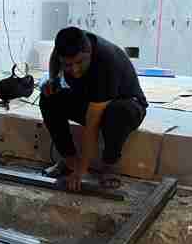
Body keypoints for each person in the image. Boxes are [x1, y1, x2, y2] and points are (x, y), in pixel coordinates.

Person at [39, 27, 148, 191]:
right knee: (49, 98)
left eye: (79, 62)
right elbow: (55, 59)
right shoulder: (64, 47)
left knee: (118, 113)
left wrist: (81, 171)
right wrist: (53, 80)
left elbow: (92, 125)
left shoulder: (106, 62)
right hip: (90, 98)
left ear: (89, 52)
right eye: (68, 65)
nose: (74, 70)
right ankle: (69, 161)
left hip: (127, 106)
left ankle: (109, 166)